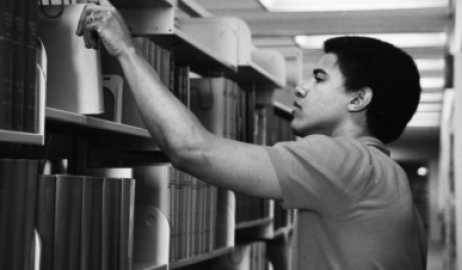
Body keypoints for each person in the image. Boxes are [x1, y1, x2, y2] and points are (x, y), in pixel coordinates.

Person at [76, 1, 427, 269]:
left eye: (318, 78)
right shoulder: (392, 185)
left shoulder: (345, 161)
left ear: (358, 98)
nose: (300, 89)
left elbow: (192, 150)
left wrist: (125, 50)